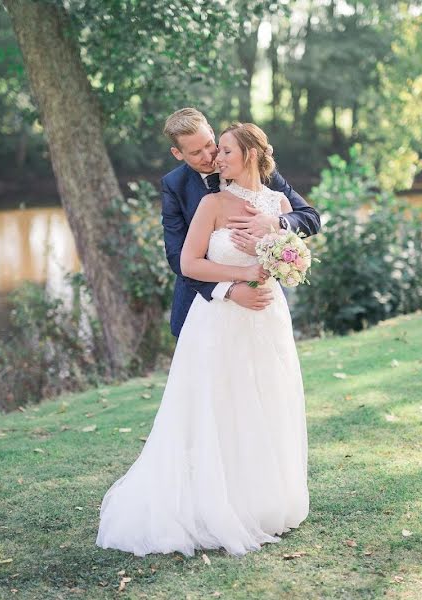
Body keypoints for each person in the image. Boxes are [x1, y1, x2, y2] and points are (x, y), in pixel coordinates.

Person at [95, 121, 310, 557]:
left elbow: (305, 225)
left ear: (246, 154)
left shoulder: (277, 196)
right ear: (180, 155)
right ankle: (210, 500)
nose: (213, 158)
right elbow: (185, 261)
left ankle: (262, 499)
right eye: (201, 153)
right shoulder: (202, 199)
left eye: (219, 149)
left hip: (267, 317)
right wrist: (239, 280)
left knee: (266, 399)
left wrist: (280, 243)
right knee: (214, 405)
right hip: (216, 316)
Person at [156, 108, 320, 338]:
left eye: (208, 145)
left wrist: (276, 223)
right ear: (177, 153)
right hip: (205, 305)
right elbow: (177, 257)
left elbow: (310, 217)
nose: (209, 156)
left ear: (212, 132)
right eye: (195, 152)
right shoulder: (175, 186)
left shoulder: (258, 168)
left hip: (262, 301)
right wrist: (229, 290)